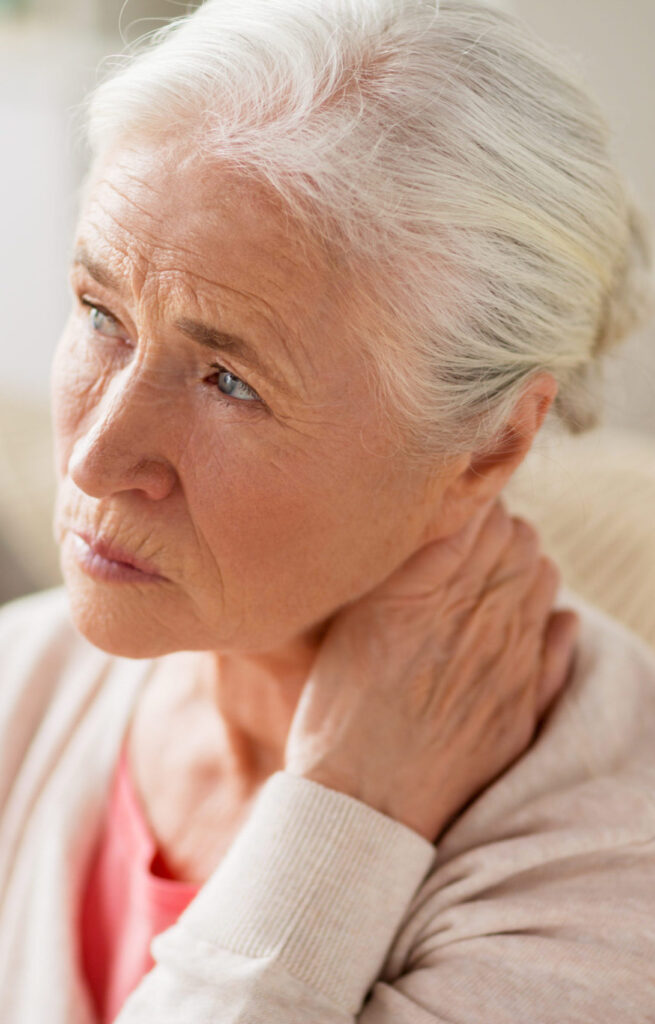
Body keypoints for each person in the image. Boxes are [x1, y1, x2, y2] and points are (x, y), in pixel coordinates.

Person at [1, 1, 654, 1021]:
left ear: (490, 443)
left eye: (229, 380)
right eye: (101, 315)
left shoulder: (614, 880)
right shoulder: (21, 682)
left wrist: (339, 827)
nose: (94, 455)